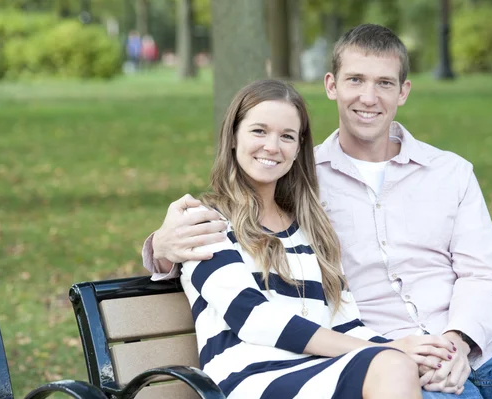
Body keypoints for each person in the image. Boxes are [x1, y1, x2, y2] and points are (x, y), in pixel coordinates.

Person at [143, 25, 492, 398]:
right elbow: (233, 255)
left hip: (475, 344)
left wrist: (457, 342)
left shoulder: (449, 173)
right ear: (332, 85)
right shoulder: (306, 182)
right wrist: (161, 246)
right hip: (383, 360)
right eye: (356, 80)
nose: (369, 97)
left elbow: (483, 275)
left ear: (403, 91)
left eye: (384, 83)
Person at [149, 79, 458, 398]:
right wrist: (392, 351)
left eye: (286, 136)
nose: (272, 146)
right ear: (232, 137)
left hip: (318, 372)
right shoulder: (205, 222)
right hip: (250, 377)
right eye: (259, 131)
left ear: (298, 149)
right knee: (393, 365)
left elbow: (346, 323)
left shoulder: (313, 230)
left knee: (412, 370)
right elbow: (252, 318)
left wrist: (416, 354)